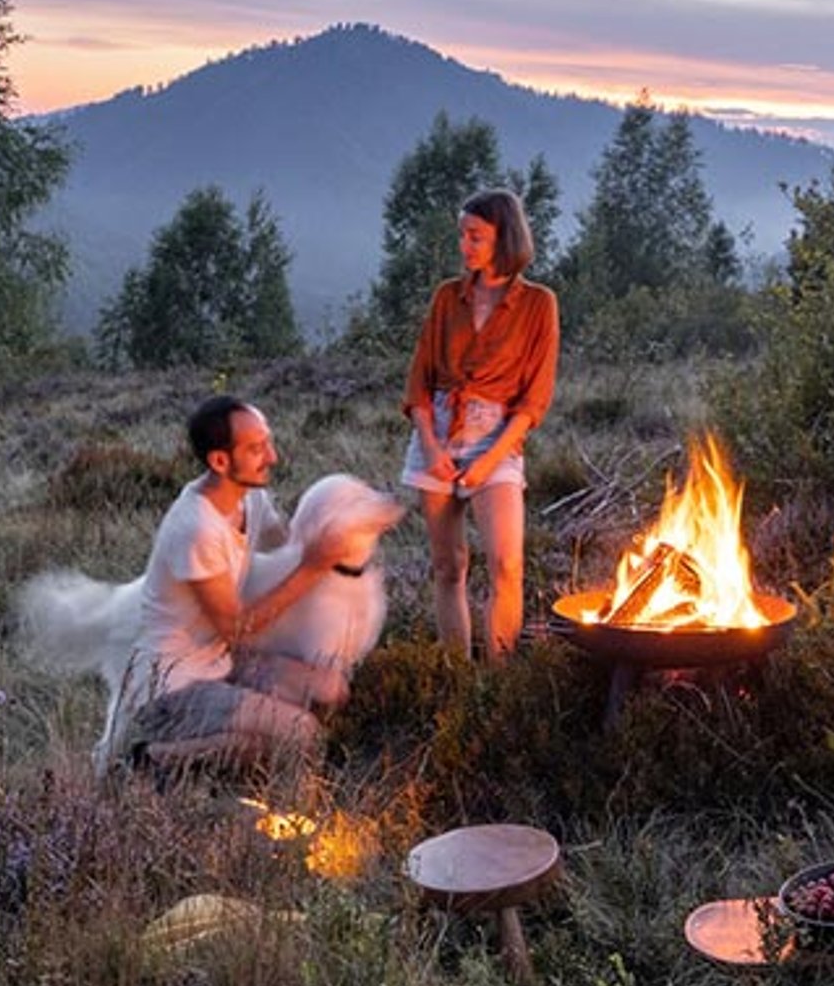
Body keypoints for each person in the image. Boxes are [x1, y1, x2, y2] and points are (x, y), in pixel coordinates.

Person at [128, 395, 362, 770]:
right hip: (169, 687)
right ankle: (153, 760)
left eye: (268, 442)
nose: (272, 457)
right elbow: (235, 627)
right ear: (220, 461)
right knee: (303, 733)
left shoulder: (250, 500)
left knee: (332, 690)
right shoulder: (196, 528)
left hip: (220, 661)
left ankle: (240, 742)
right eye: (256, 448)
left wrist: (339, 532)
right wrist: (313, 568)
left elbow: (286, 547)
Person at [401, 188, 560, 659]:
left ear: (504, 238)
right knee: (448, 566)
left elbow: (535, 399)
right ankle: (456, 679)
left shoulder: (538, 304)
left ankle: (497, 683)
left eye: (475, 237)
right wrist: (430, 447)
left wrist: (491, 458)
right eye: (463, 236)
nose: (464, 246)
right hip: (439, 429)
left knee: (507, 564)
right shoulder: (448, 298)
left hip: (499, 435)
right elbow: (419, 381)